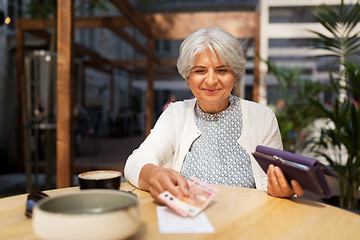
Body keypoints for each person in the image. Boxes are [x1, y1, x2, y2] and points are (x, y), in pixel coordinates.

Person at [124, 27, 304, 202]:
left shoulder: (263, 117)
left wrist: (281, 190)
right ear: (188, 78)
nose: (211, 80)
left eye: (222, 70)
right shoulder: (175, 114)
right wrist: (154, 173)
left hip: (249, 222)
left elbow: (277, 182)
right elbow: (135, 162)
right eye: (200, 70)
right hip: (191, 222)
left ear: (235, 76)